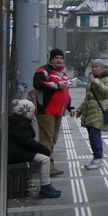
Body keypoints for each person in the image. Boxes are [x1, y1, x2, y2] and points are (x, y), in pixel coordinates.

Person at [8, 97, 61, 198]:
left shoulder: (16, 122)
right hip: (16, 153)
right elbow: (29, 143)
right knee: (45, 159)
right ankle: (46, 186)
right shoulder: (22, 124)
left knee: (43, 157)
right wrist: (45, 150)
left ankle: (47, 187)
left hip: (16, 151)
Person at [33, 48, 71, 177]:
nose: (59, 60)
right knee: (46, 140)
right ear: (51, 59)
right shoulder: (43, 70)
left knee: (52, 140)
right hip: (46, 110)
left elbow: (65, 93)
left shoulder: (62, 73)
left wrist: (70, 107)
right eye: (56, 58)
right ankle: (46, 168)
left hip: (58, 112)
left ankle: (49, 166)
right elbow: (37, 84)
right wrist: (56, 85)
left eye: (61, 58)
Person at [76, 58, 108, 170]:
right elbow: (88, 98)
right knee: (92, 137)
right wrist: (80, 110)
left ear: (101, 68)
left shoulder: (107, 78)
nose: (94, 68)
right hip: (90, 111)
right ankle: (96, 158)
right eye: (92, 66)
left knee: (95, 136)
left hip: (98, 112)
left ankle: (98, 158)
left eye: (96, 67)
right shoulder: (92, 79)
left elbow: (106, 92)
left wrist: (95, 82)